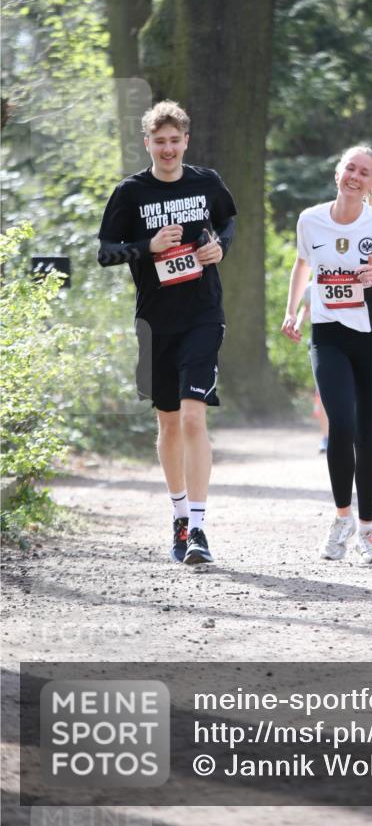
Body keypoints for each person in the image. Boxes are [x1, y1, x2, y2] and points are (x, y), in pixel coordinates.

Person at [97, 100, 237, 564]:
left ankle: (198, 528)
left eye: (175, 141)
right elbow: (106, 252)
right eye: (160, 142)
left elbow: (228, 221)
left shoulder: (207, 183)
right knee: (169, 421)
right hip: (156, 322)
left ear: (185, 142)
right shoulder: (130, 192)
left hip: (203, 313)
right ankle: (178, 518)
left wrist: (220, 247)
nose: (168, 149)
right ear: (148, 144)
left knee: (195, 417)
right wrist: (146, 246)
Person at [281, 145, 372, 564]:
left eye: (365, 173)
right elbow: (304, 266)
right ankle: (342, 519)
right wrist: (293, 311)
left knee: (366, 434)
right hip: (329, 336)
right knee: (340, 422)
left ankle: (368, 530)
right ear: (338, 173)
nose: (355, 177)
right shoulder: (310, 220)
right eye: (350, 168)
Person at [295, 283, 330, 453]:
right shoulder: (310, 287)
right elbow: (306, 308)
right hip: (320, 345)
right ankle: (326, 437)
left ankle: (351, 435)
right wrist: (298, 324)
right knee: (323, 393)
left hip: (352, 343)